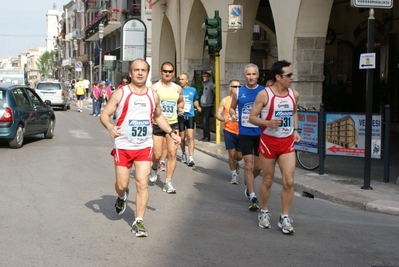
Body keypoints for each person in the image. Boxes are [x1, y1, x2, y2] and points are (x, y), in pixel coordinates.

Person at [99, 59, 181, 237]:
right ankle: (122, 196)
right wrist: (110, 127)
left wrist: (171, 132)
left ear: (148, 73)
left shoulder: (153, 95)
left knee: (142, 183)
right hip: (123, 145)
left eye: (143, 70)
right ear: (130, 73)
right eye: (136, 70)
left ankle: (139, 221)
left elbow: (158, 117)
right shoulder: (121, 93)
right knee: (122, 185)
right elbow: (105, 114)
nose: (140, 73)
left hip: (144, 146)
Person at [249, 60, 300, 234]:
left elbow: (294, 112)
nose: (291, 78)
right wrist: (267, 122)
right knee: (268, 180)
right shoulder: (265, 95)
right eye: (288, 75)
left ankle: (284, 217)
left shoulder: (294, 94)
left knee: (289, 181)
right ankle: (264, 211)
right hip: (269, 142)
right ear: (278, 77)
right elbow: (252, 117)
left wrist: (295, 129)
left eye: (291, 74)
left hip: (286, 143)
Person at [229, 63, 264, 211]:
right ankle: (252, 193)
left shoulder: (264, 91)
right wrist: (233, 114)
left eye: (254, 74)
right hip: (245, 132)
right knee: (248, 164)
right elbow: (231, 107)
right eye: (248, 74)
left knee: (259, 166)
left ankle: (248, 182)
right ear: (245, 76)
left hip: (261, 133)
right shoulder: (239, 91)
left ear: (258, 75)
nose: (251, 77)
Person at [148, 62, 184, 194]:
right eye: (165, 71)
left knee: (172, 153)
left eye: (170, 71)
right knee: (157, 154)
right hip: (157, 124)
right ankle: (154, 167)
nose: (167, 73)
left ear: (173, 73)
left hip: (173, 124)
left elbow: (180, 102)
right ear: (161, 72)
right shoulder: (154, 88)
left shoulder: (177, 88)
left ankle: (168, 182)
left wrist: (180, 109)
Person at [215, 79, 242, 184]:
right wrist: (223, 119)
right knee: (231, 154)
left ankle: (236, 163)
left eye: (239, 87)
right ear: (229, 88)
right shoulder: (225, 100)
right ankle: (234, 175)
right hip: (229, 130)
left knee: (239, 156)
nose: (237, 89)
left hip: (241, 131)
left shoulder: (242, 100)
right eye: (235, 86)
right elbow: (217, 114)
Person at [178, 73, 202, 166]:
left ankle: (191, 157)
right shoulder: (177, 90)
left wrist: (198, 106)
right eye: (180, 79)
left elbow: (195, 99)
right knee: (182, 138)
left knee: (190, 137)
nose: (181, 81)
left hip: (190, 115)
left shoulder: (193, 90)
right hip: (180, 116)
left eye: (183, 79)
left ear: (187, 80)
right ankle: (184, 153)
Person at [200, 71, 215, 142]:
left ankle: (207, 137)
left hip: (208, 105)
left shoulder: (210, 84)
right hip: (203, 105)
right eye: (203, 76)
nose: (204, 78)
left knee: (205, 121)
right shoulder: (204, 84)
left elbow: (215, 87)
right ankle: (204, 136)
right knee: (203, 121)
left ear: (208, 78)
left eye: (205, 76)